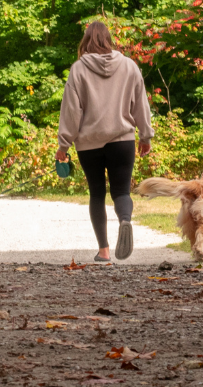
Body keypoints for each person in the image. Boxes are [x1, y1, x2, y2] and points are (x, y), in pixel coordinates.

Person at [56, 21, 154, 262]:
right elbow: (141, 102)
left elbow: (71, 111)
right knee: (121, 191)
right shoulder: (130, 66)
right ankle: (125, 221)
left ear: (86, 41)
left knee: (97, 194)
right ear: (108, 39)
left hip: (89, 144)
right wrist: (145, 135)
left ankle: (104, 251)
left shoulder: (78, 69)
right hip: (122, 141)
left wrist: (63, 145)